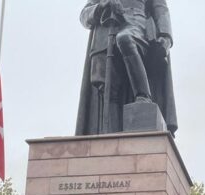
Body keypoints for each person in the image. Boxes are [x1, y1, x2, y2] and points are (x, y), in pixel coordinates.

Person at [76, 0, 177, 135]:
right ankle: (110, 138)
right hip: (105, 32)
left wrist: (166, 36)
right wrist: (103, 5)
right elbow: (84, 15)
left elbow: (161, 9)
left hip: (137, 24)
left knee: (125, 39)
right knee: (108, 88)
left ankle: (143, 97)